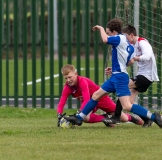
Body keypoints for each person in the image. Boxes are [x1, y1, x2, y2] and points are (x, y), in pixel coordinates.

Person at [64, 18, 162, 128]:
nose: (108, 35)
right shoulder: (129, 45)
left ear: (114, 32)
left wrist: (100, 28)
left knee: (127, 105)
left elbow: (105, 40)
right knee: (96, 95)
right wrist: (114, 69)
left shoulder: (119, 38)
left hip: (120, 78)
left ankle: (153, 117)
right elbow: (128, 61)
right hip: (116, 75)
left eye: (108, 33)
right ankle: (79, 118)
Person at [106, 24, 160, 128]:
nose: (124, 38)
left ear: (131, 35)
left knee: (122, 87)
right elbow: (128, 61)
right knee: (128, 102)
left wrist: (135, 58)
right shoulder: (133, 45)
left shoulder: (142, 42)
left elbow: (148, 56)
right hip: (142, 75)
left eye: (125, 36)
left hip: (146, 76)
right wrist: (114, 70)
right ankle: (148, 118)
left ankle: (116, 117)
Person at [57, 64, 143, 127]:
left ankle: (133, 118)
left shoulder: (82, 81)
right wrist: (59, 114)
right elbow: (62, 102)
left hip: (101, 99)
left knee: (123, 118)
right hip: (90, 103)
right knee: (85, 118)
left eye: (70, 77)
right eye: (66, 78)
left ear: (76, 74)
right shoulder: (67, 87)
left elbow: (86, 99)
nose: (68, 80)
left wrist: (80, 112)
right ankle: (104, 118)